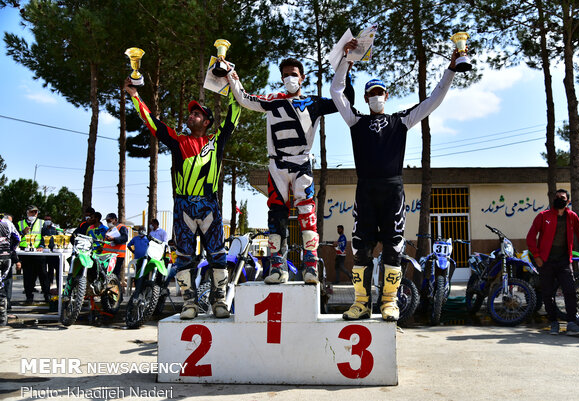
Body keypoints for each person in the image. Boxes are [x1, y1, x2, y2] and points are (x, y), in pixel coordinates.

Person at [330, 40, 458, 321]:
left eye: (379, 92)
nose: (376, 97)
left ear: (386, 95)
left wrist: (450, 70)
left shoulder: (401, 121)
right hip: (365, 191)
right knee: (359, 248)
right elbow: (336, 91)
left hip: (392, 191)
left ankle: (390, 302)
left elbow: (432, 100)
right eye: (371, 94)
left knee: (394, 247)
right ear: (365, 99)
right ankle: (361, 303)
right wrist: (347, 61)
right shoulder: (355, 121)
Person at [226, 58, 354, 285]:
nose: (289, 78)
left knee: (307, 213)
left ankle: (311, 267)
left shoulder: (313, 102)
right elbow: (244, 98)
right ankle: (277, 267)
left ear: (303, 77)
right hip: (276, 165)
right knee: (276, 215)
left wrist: (347, 71)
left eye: (293, 74)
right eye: (285, 75)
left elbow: (345, 100)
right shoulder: (272, 100)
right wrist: (230, 74)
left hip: (302, 163)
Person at [125, 76, 241, 320]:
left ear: (207, 121)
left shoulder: (215, 141)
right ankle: (189, 303)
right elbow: (152, 123)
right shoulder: (178, 140)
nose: (191, 116)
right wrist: (135, 96)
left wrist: (231, 83)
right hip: (184, 205)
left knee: (218, 255)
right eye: (190, 113)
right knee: (184, 257)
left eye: (197, 114)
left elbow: (234, 114)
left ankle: (219, 302)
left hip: (210, 204)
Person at [526, 189, 579, 336]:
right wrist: (537, 257)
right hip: (546, 262)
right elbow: (530, 237)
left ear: (568, 201)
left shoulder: (572, 216)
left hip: (564, 261)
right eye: (556, 197)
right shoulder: (543, 216)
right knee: (547, 293)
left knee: (569, 291)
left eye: (562, 197)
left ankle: (571, 323)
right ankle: (553, 323)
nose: (559, 199)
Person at [17, 205, 50, 303]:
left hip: (38, 253)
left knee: (43, 274)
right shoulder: (20, 223)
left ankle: (46, 295)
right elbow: (15, 236)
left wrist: (42, 246)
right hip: (25, 253)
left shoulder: (41, 222)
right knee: (28, 276)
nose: (34, 214)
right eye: (32, 212)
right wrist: (23, 232)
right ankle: (29, 297)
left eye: (36, 212)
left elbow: (46, 236)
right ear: (27, 213)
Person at [0, 213, 22, 312]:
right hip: (5, 256)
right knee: (5, 283)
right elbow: (18, 238)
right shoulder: (8, 223)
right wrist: (11, 250)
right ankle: (4, 312)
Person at [103, 213, 128, 286]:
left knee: (115, 276)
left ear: (115, 220)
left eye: (109, 221)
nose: (108, 223)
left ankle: (118, 294)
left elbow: (125, 238)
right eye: (107, 221)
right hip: (107, 256)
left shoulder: (122, 227)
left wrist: (114, 239)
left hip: (117, 256)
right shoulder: (109, 230)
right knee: (107, 276)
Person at [41, 215, 62, 288]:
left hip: (54, 252)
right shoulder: (42, 229)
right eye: (46, 219)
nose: (47, 221)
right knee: (45, 271)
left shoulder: (55, 229)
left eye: (49, 219)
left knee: (57, 269)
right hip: (45, 252)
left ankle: (59, 287)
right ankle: (47, 287)